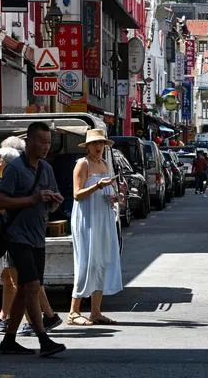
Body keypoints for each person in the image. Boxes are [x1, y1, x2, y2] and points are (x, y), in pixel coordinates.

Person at [0, 122, 67, 357]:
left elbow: (52, 203)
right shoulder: (15, 168)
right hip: (18, 237)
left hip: (38, 237)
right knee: (33, 286)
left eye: (49, 143)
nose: (46, 147)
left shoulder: (46, 168)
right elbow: (1, 202)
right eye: (42, 142)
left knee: (26, 288)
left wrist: (54, 200)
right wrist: (34, 198)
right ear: (30, 141)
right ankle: (44, 340)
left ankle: (9, 340)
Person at [0, 143, 61, 337]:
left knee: (26, 284)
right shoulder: (14, 174)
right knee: (19, 282)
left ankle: (39, 322)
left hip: (27, 236)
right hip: (17, 237)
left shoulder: (35, 170)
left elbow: (1, 206)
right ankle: (16, 327)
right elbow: (5, 203)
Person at [68, 129, 124, 326]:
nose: (98, 147)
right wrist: (98, 186)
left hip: (104, 217)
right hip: (87, 218)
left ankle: (95, 311)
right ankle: (74, 312)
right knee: (86, 263)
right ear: (88, 146)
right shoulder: (82, 164)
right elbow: (77, 194)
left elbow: (106, 193)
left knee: (101, 262)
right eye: (94, 144)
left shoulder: (105, 164)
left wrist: (114, 197)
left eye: (101, 143)